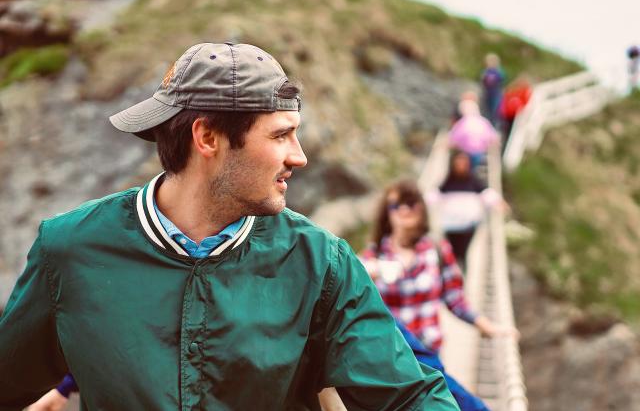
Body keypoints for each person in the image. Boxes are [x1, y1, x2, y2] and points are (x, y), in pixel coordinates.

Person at [0, 43, 458, 410]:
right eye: (280, 135)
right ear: (208, 138)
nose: (299, 156)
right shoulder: (70, 249)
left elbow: (408, 396)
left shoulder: (321, 263)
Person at [360, 180, 506, 352]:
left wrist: (486, 325)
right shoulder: (372, 256)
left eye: (411, 203)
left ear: (421, 208)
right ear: (387, 212)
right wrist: (366, 275)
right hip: (387, 352)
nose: (404, 210)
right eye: (396, 205)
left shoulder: (437, 249)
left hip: (426, 352)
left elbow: (454, 297)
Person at [435, 151, 503, 270]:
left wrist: (498, 203)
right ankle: (451, 277)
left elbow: (487, 194)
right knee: (451, 251)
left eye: (463, 162)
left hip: (468, 225)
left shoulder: (474, 181)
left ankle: (461, 276)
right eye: (458, 162)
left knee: (463, 252)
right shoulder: (448, 182)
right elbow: (434, 195)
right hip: (451, 225)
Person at [448, 101, 499, 170]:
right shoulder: (484, 121)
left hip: (466, 153)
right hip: (479, 152)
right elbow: (494, 138)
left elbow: (452, 139)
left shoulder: (462, 122)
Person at [480, 53, 505, 125]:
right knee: (487, 112)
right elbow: (482, 82)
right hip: (487, 94)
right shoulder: (485, 72)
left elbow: (502, 82)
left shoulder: (499, 72)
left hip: (496, 94)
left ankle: (495, 127)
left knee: (495, 112)